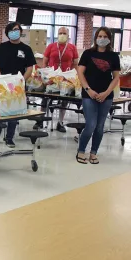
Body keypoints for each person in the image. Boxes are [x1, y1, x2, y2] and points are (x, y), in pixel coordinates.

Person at [76, 26, 120, 165]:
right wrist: (88, 89)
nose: (102, 39)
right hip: (89, 94)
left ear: (109, 39)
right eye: (99, 36)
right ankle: (81, 150)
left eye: (105, 37)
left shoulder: (113, 56)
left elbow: (116, 77)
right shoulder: (88, 53)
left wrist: (107, 92)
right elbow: (80, 72)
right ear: (95, 38)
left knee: (100, 126)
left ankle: (93, 152)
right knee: (91, 124)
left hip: (106, 96)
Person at [0, 22, 36, 148]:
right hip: (2, 84)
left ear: (21, 32)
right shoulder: (2, 47)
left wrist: (21, 81)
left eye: (16, 29)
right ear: (7, 33)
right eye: (11, 30)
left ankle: (9, 137)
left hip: (17, 85)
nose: (14, 32)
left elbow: (30, 68)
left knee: (14, 112)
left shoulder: (26, 49)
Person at [36, 27, 79, 132]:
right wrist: (45, 75)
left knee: (64, 100)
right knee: (45, 98)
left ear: (68, 35)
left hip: (65, 77)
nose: (62, 35)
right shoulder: (51, 46)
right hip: (52, 77)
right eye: (60, 33)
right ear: (57, 34)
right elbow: (45, 62)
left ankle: (60, 123)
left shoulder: (72, 47)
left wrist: (73, 76)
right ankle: (40, 120)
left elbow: (75, 63)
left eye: (64, 33)